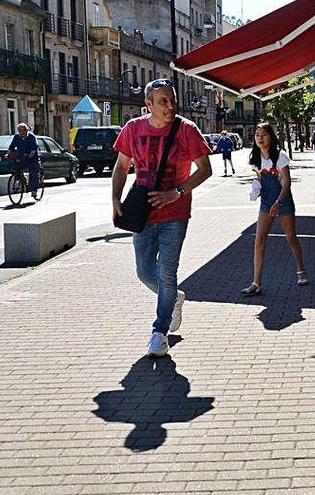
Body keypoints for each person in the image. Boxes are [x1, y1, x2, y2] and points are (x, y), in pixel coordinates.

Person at [112, 79, 213, 357]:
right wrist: (115, 198)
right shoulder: (133, 128)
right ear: (148, 105)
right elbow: (122, 166)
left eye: (171, 99)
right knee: (144, 272)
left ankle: (159, 331)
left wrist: (176, 193)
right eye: (162, 101)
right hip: (142, 213)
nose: (170, 106)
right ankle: (174, 299)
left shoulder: (186, 130)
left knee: (167, 274)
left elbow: (205, 169)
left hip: (175, 214)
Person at [241, 122, 308, 296]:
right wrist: (255, 188)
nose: (260, 138)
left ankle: (301, 271)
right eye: (257, 134)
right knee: (259, 239)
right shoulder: (255, 159)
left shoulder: (280, 156)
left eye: (263, 134)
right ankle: (256, 282)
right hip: (266, 201)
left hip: (283, 200)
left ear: (271, 136)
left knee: (291, 237)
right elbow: (258, 178)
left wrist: (279, 202)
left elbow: (286, 182)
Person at [6, 123, 41, 200]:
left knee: (33, 172)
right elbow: (11, 147)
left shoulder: (31, 137)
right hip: (21, 157)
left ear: (27, 130)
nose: (22, 132)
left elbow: (33, 149)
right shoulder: (16, 137)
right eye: (20, 130)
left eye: (24, 130)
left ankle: (34, 190)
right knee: (16, 168)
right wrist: (8, 154)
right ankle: (22, 179)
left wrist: (29, 156)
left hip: (32, 158)